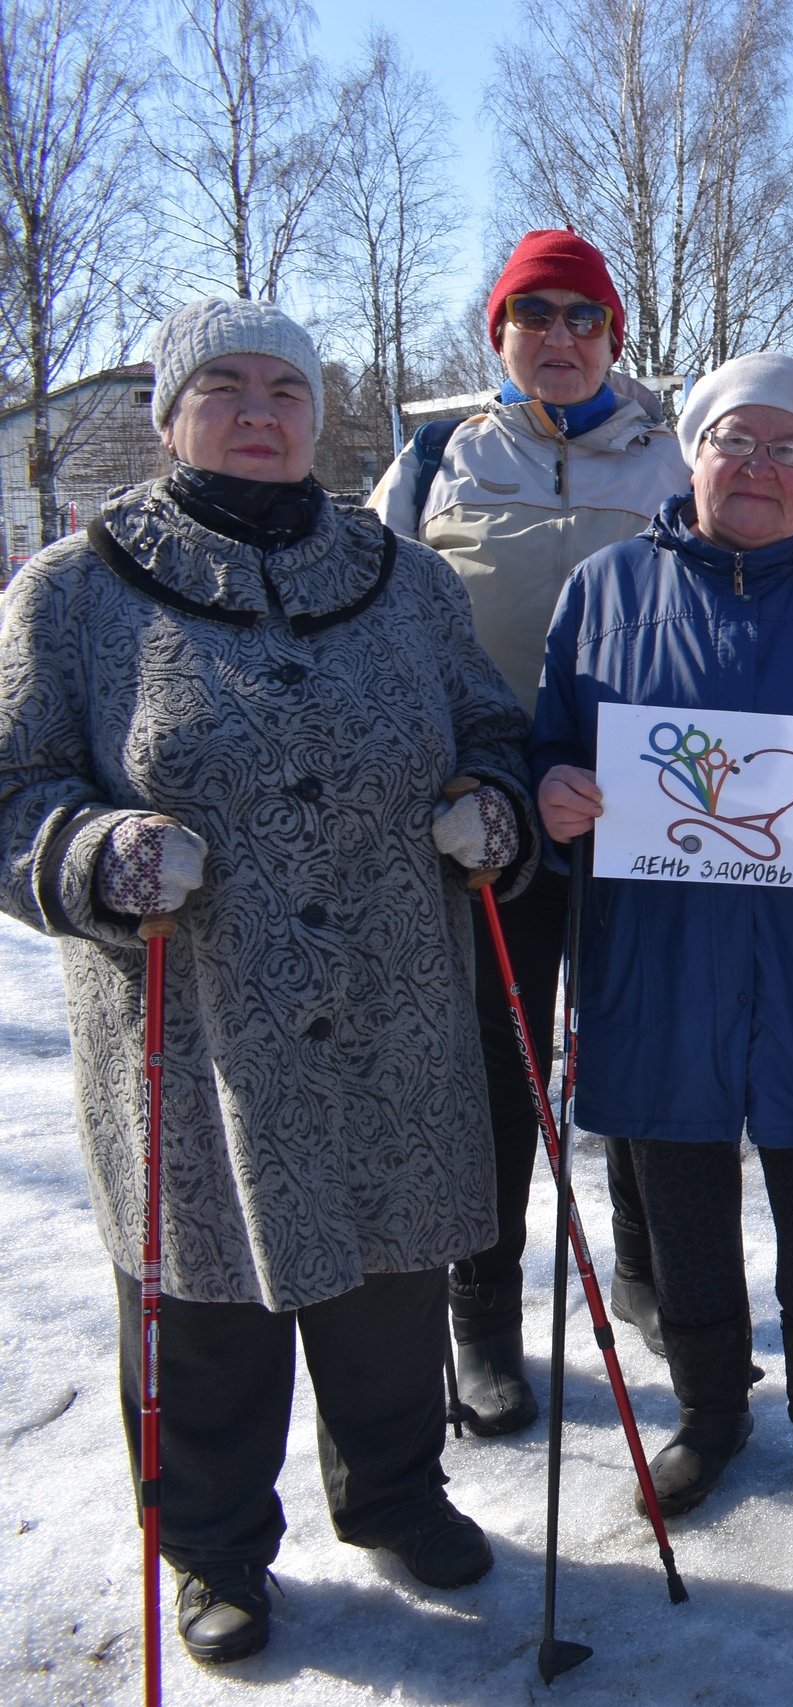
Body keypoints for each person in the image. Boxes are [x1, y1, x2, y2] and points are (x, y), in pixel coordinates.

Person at [0, 299, 536, 1663]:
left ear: (316, 414)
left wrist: (493, 799)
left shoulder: (402, 577)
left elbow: (488, 722)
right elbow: (13, 788)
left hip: (395, 1009)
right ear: (171, 414)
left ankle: (398, 1492)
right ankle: (218, 1549)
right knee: (206, 1301)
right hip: (197, 1021)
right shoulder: (73, 589)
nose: (259, 411)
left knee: (397, 1273)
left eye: (286, 390)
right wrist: (95, 847)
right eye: (224, 387)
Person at [529, 352, 793, 1536]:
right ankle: (708, 1410)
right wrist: (554, 793)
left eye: (788, 448)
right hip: (656, 953)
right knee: (682, 1196)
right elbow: (550, 745)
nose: (758, 468)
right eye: (733, 442)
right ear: (690, 453)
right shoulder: (602, 590)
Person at [370, 229, 693, 1432]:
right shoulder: (436, 461)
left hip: (645, 812)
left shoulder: (670, 459)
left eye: (582, 318)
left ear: (614, 336)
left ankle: (650, 1270)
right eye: (533, 315)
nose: (559, 338)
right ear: (496, 333)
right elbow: (369, 622)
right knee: (496, 1076)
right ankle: (484, 1314)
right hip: (487, 818)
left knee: (640, 1058)